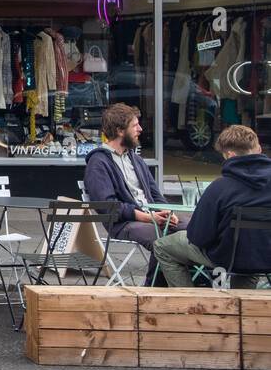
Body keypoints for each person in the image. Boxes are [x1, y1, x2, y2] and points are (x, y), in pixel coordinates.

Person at [154, 125, 271, 288]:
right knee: (249, 253)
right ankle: (243, 307)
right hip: (265, 256)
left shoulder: (220, 187)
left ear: (229, 155)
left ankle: (191, 303)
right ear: (258, 149)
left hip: (226, 256)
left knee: (162, 247)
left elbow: (199, 236)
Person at [84, 103, 184, 284]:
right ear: (120, 130)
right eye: (135, 125)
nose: (140, 129)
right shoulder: (98, 163)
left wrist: (168, 212)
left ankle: (190, 284)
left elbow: (155, 193)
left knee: (194, 229)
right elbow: (107, 207)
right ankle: (153, 289)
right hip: (124, 223)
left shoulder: (135, 159)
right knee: (165, 241)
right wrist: (148, 217)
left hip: (151, 216)